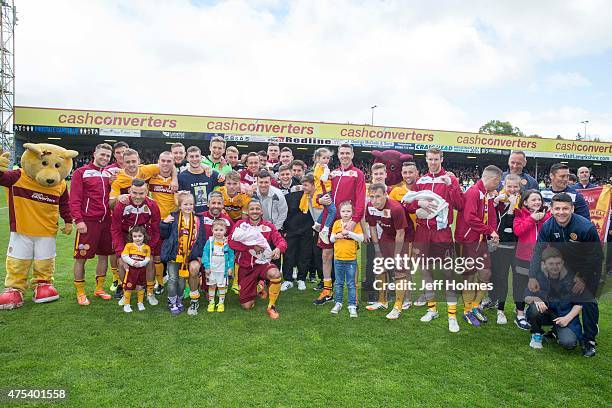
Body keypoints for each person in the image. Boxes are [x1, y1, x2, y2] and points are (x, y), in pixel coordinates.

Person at [527, 193, 603, 357]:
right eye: (557, 209)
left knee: (588, 301)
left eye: (565, 208)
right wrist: (532, 275)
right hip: (566, 266)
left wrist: (583, 278)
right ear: (552, 210)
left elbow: (596, 256)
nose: (561, 212)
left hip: (589, 268)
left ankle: (589, 341)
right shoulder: (548, 226)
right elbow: (538, 250)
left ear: (572, 209)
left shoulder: (585, 227)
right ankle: (558, 327)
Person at [407, 148, 463, 333]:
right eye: (430, 159)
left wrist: (452, 185)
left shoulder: (449, 178)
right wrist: (419, 204)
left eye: (436, 159)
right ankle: (432, 309)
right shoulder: (421, 181)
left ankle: (452, 316)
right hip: (423, 232)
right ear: (426, 159)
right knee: (425, 271)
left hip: (442, 233)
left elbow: (459, 205)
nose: (433, 162)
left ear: (441, 159)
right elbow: (408, 204)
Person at [317, 144, 366, 305]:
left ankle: (354, 292)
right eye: (342, 153)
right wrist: (319, 199)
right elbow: (320, 189)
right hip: (330, 219)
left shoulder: (357, 174)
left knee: (350, 256)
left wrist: (354, 220)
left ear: (352, 155)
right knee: (326, 254)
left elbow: (360, 200)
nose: (344, 156)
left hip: (347, 221)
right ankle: (327, 289)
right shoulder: (332, 173)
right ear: (338, 155)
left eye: (347, 153)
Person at [454, 165, 501, 327]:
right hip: (468, 241)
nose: (498, 185)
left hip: (480, 241)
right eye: (498, 181)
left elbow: (491, 216)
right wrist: (490, 231)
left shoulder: (486, 194)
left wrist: (492, 232)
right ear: (493, 179)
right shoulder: (474, 192)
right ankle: (467, 310)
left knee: (485, 273)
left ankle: (475, 306)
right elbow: (470, 217)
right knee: (469, 276)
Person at [70, 143, 114, 305]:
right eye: (102, 154)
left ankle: (99, 288)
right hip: (88, 222)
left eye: (107, 156)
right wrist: (78, 220)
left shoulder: (109, 174)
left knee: (104, 256)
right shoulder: (80, 173)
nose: (104, 158)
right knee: (81, 258)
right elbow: (74, 199)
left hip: (106, 222)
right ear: (94, 153)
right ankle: (80, 292)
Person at [228, 200, 287, 319]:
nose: (254, 211)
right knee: (246, 306)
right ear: (247, 211)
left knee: (275, 274)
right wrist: (251, 247)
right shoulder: (240, 224)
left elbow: (281, 241)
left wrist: (278, 249)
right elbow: (231, 242)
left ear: (261, 211)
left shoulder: (268, 226)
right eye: (252, 209)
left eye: (257, 209)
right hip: (245, 267)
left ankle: (271, 306)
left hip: (262, 264)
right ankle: (259, 286)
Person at [111, 178, 161, 306]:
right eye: (134, 193)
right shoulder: (121, 204)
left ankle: (150, 292)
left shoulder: (152, 205)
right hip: (125, 237)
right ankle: (126, 290)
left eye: (141, 193)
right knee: (121, 263)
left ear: (147, 192)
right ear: (129, 191)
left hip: (144, 238)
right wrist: (120, 252)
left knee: (149, 261)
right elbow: (115, 229)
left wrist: (148, 249)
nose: (138, 197)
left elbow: (156, 230)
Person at [525, 247, 586, 351]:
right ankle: (536, 334)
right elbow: (526, 296)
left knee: (569, 343)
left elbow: (579, 303)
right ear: (544, 264)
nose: (555, 267)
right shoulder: (537, 277)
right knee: (534, 309)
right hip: (545, 312)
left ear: (562, 263)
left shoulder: (572, 278)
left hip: (563, 315)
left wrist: (567, 318)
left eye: (558, 263)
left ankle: (556, 331)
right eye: (551, 263)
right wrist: (536, 298)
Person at [365, 183, 408, 319]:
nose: (374, 200)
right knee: (381, 268)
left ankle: (398, 306)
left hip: (403, 237)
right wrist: (377, 249)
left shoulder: (395, 208)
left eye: (378, 196)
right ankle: (382, 301)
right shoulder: (370, 206)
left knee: (399, 271)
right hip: (387, 235)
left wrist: (396, 255)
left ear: (385, 194)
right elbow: (372, 227)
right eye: (372, 197)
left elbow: (401, 233)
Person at [160, 191, 207, 316]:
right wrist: (164, 224)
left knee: (181, 280)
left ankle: (179, 299)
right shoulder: (173, 217)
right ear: (179, 206)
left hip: (188, 255)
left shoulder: (198, 219)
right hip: (174, 255)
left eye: (191, 204)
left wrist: (199, 255)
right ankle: (171, 301)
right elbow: (164, 235)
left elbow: (201, 238)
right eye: (185, 204)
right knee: (172, 279)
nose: (188, 207)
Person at [512, 189, 551, 329]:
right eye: (533, 200)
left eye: (539, 200)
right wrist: (532, 219)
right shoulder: (519, 214)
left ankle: (535, 311)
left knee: (538, 286)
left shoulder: (547, 216)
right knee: (520, 285)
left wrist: (543, 217)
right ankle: (520, 314)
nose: (537, 202)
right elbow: (518, 231)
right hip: (523, 257)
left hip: (542, 259)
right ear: (526, 202)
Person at [487, 174, 521, 324]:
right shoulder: (499, 200)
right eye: (509, 186)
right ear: (504, 186)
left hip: (515, 247)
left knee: (515, 278)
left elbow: (510, 227)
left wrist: (513, 206)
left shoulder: (521, 202)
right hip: (498, 245)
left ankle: (506, 309)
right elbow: (490, 218)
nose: (512, 190)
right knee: (496, 276)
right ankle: (493, 300)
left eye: (515, 187)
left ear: (520, 188)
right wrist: (494, 203)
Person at [278, 164, 313, 291]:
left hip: (305, 225)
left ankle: (301, 279)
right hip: (289, 227)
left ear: (291, 174)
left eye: (288, 174)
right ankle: (287, 280)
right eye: (283, 174)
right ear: (279, 176)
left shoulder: (301, 186)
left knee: (304, 254)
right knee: (288, 254)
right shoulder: (277, 189)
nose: (286, 176)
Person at [148, 151, 179, 295]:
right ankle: (159, 283)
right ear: (158, 161)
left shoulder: (179, 179)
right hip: (156, 222)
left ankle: (175, 280)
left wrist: (175, 178)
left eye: (169, 161)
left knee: (172, 253)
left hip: (173, 222)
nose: (166, 163)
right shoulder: (151, 176)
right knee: (157, 255)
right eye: (163, 160)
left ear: (174, 163)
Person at [330, 201, 364, 317]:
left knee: (351, 284)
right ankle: (338, 303)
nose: (345, 213)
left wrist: (349, 233)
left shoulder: (355, 224)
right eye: (343, 211)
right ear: (339, 212)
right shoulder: (336, 224)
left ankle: (352, 305)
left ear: (352, 212)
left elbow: (361, 238)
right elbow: (331, 239)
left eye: (348, 211)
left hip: (351, 259)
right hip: (338, 259)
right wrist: (336, 236)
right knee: (338, 283)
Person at [299, 148, 337, 244]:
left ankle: (317, 224)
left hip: (325, 191)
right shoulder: (319, 168)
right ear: (317, 158)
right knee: (333, 210)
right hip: (323, 192)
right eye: (324, 158)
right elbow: (323, 179)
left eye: (328, 158)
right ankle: (325, 230)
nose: (326, 160)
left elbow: (326, 179)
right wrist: (327, 172)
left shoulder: (322, 168)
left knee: (327, 209)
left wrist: (330, 176)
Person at [178, 146, 222, 215]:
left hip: (208, 216)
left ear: (201, 157)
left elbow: (228, 182)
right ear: (187, 158)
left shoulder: (211, 173)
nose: (194, 159)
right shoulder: (182, 176)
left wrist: (241, 184)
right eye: (191, 157)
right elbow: (178, 198)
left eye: (197, 156)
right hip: (191, 216)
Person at [203, 219, 235, 313]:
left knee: (221, 287)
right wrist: (207, 266)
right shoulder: (209, 241)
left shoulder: (227, 242)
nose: (218, 232)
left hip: (223, 269)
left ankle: (221, 303)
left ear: (225, 231)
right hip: (212, 269)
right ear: (212, 230)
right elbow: (205, 254)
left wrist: (230, 267)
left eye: (221, 230)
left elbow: (231, 256)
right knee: (212, 286)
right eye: (216, 230)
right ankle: (211, 302)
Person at [120, 226, 151, 313]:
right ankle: (126, 304)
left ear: (144, 236)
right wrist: (133, 262)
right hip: (131, 271)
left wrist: (141, 263)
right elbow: (124, 256)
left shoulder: (147, 247)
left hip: (141, 270)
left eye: (140, 236)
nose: (137, 238)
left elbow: (148, 259)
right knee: (128, 287)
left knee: (140, 287)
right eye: (135, 236)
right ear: (131, 237)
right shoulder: (129, 246)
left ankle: (140, 302)